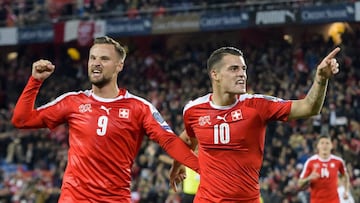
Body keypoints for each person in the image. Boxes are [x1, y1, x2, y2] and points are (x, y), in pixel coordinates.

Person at [11, 36, 199, 203]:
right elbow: (21, 120)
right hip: (74, 197)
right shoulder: (73, 102)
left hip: (116, 198)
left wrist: (204, 170)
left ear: (119, 66)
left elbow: (169, 141)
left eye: (104, 58)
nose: (96, 63)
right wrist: (35, 81)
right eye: (93, 58)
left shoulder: (139, 107)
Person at [169, 46, 341, 202]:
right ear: (215, 75)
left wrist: (321, 79)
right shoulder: (193, 110)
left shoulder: (257, 106)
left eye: (244, 69)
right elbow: (189, 139)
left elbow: (309, 107)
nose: (242, 74)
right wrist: (178, 164)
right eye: (234, 69)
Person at [298, 135, 350, 203]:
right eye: (322, 143)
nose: (324, 145)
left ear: (331, 146)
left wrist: (346, 191)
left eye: (327, 143)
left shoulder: (338, 161)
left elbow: (345, 176)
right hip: (316, 201)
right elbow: (300, 184)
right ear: (318, 146)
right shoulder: (310, 162)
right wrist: (309, 178)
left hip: (333, 201)